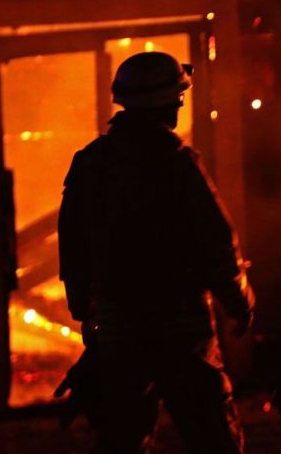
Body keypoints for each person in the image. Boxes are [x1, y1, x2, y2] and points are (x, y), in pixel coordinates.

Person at [58, 51, 254, 453]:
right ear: (171, 102)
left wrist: (85, 310)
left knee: (122, 438)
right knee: (213, 438)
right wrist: (240, 302)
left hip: (119, 330)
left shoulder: (90, 164)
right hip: (182, 331)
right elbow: (217, 243)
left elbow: (73, 247)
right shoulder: (178, 163)